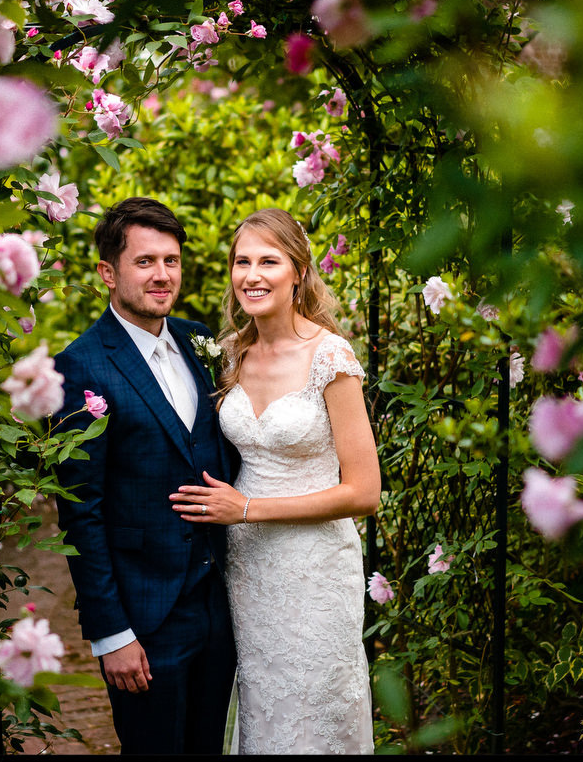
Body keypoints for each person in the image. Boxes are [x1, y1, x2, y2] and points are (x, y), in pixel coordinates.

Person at [169, 207, 381, 754]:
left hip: (315, 568)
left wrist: (246, 509)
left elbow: (364, 492)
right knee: (263, 703)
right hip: (247, 569)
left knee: (315, 706)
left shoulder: (330, 357)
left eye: (269, 261)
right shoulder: (232, 353)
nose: (252, 275)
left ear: (298, 272)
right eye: (242, 262)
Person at [51, 197, 238, 755]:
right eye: (145, 262)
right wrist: (112, 635)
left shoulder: (198, 340)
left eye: (172, 261)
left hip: (218, 608)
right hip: (146, 619)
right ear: (108, 273)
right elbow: (80, 512)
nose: (163, 275)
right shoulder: (80, 366)